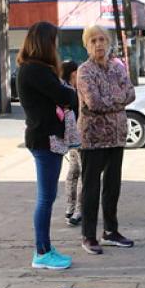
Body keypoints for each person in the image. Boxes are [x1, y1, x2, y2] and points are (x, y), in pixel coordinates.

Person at [16, 21, 77, 269]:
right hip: (45, 140)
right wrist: (68, 92)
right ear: (45, 43)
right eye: (54, 41)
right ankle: (42, 251)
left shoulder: (34, 69)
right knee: (46, 198)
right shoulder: (35, 70)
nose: (57, 46)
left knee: (47, 196)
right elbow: (67, 96)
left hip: (44, 138)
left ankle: (45, 247)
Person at [75, 25, 136, 255]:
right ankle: (88, 235)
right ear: (87, 45)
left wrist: (112, 99)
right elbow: (94, 102)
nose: (99, 44)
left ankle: (111, 231)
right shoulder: (85, 71)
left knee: (113, 187)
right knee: (91, 187)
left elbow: (131, 93)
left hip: (117, 136)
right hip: (93, 138)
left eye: (102, 39)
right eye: (93, 40)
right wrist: (118, 100)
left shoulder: (118, 67)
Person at [60, 60, 82, 227]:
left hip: (71, 139)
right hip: (79, 138)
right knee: (81, 173)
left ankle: (70, 208)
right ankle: (78, 211)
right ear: (74, 74)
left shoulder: (63, 90)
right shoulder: (72, 92)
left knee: (73, 172)